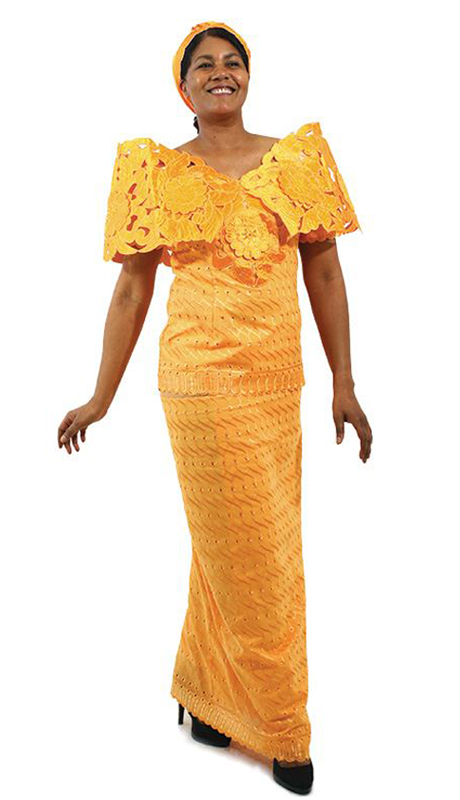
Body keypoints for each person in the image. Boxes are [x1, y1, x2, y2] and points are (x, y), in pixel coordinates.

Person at [57, 20, 373, 795]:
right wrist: (100, 396)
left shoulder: (297, 160)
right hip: (197, 383)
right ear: (184, 87)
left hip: (276, 381)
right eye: (205, 65)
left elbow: (325, 274)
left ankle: (206, 702)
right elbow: (131, 291)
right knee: (257, 558)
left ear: (248, 77)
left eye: (234, 62)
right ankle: (283, 728)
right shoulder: (155, 172)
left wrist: (344, 380)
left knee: (226, 547)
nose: (221, 72)